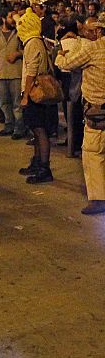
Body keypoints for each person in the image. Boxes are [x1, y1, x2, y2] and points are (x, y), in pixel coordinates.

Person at [55, 18, 105, 214]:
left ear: (99, 31)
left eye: (90, 30)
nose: (86, 33)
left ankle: (98, 199)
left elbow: (66, 64)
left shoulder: (93, 49)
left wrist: (60, 53)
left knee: (93, 153)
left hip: (97, 111)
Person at [18, 8, 55, 183]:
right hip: (35, 92)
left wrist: (25, 95)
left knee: (40, 130)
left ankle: (44, 168)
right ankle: (37, 163)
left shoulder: (32, 42)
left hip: (35, 93)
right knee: (36, 129)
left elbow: (31, 71)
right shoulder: (35, 41)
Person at [0, 12, 27, 140]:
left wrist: (18, 54)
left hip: (16, 74)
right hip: (0, 74)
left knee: (17, 104)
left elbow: (28, 50)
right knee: (4, 102)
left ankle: (19, 128)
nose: (13, 20)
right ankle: (9, 125)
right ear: (3, 19)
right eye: (10, 17)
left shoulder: (20, 34)